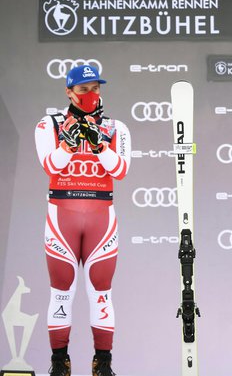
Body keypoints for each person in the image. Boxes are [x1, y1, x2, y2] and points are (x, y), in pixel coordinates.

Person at [34, 65, 131, 376]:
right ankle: (59, 363)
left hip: (101, 220)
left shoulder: (117, 128)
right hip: (61, 217)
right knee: (60, 291)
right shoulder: (47, 125)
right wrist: (69, 145)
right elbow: (51, 166)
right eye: (84, 89)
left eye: (96, 88)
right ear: (69, 92)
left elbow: (120, 170)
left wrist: (100, 145)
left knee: (101, 292)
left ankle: (103, 364)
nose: (92, 95)